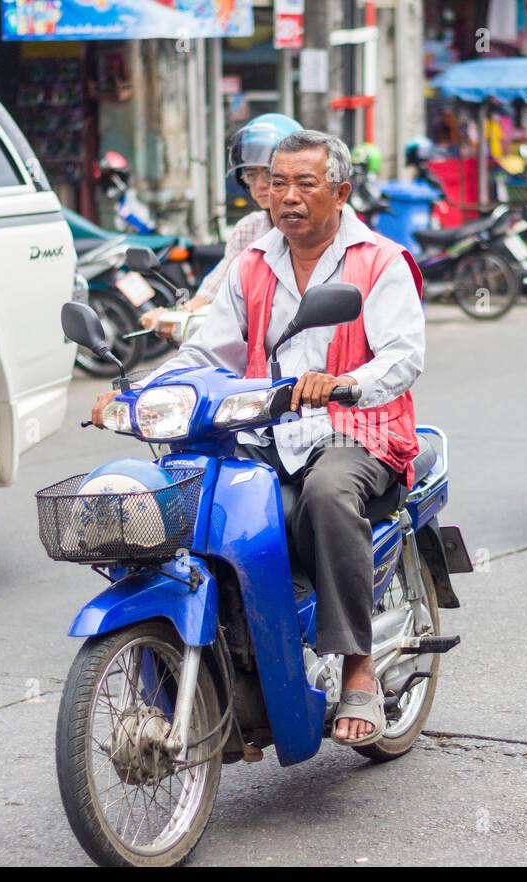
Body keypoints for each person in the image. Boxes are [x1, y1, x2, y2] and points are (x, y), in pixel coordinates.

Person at [91, 130, 426, 745]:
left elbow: (404, 356)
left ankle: (357, 670)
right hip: (265, 429)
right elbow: (205, 351)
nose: (288, 196)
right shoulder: (253, 264)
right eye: (278, 183)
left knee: (326, 495)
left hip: (359, 428)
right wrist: (135, 394)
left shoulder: (380, 260)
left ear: (341, 191)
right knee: (208, 507)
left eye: (305, 183)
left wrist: (345, 383)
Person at [140, 113, 301, 338]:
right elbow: (221, 281)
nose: (260, 184)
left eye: (269, 173)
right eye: (251, 174)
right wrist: (180, 313)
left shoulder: (311, 229)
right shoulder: (249, 228)